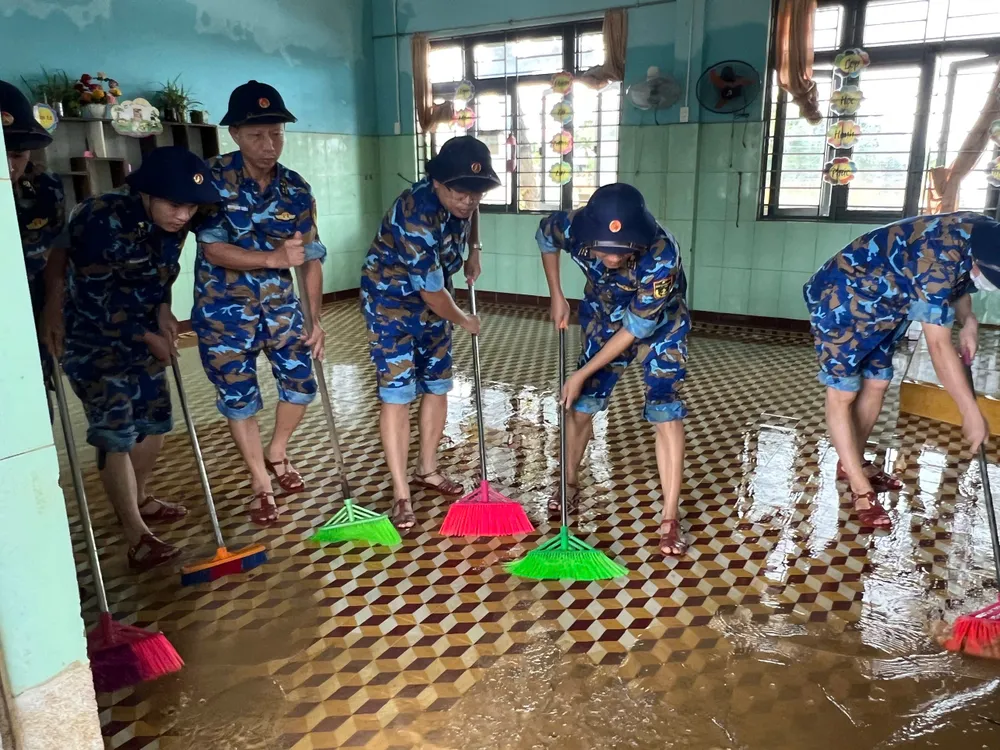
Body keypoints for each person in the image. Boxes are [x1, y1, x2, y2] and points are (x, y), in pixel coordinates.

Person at [58, 146, 219, 571]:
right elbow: (90, 301)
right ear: (146, 193)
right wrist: (147, 335)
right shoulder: (99, 219)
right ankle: (135, 534)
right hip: (93, 340)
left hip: (143, 333)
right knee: (117, 432)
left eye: (191, 207)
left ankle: (140, 497)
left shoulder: (174, 221)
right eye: (175, 205)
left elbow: (162, 274)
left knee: (154, 423)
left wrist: (164, 309)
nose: (184, 216)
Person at [804, 212, 1000, 530]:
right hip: (843, 295)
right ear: (979, 261)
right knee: (843, 391)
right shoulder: (939, 254)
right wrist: (969, 411)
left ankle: (850, 461)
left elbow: (961, 284)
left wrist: (970, 322)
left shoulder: (983, 231)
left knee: (878, 382)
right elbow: (937, 345)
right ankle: (859, 486)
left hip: (889, 304)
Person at [194, 80, 326, 527]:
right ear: (234, 133)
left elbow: (310, 257)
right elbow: (213, 248)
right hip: (222, 311)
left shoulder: (296, 188)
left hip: (281, 308)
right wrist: (272, 258)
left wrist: (316, 319)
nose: (269, 145)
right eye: (257, 135)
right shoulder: (211, 179)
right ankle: (260, 482)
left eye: (276, 133)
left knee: (302, 383)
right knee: (240, 397)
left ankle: (278, 450)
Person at [537, 183, 691, 556]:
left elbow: (636, 329)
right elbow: (544, 235)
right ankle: (569, 485)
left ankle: (670, 517)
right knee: (581, 406)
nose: (611, 256)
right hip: (603, 313)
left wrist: (580, 372)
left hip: (661, 323)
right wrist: (556, 292)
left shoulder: (661, 255)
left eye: (622, 250)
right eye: (603, 248)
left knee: (663, 409)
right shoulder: (574, 227)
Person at [360, 135, 500, 530]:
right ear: (437, 181)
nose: (468, 200)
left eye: (477, 192)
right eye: (460, 191)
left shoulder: (465, 199)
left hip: (436, 297)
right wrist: (464, 320)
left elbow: (472, 212)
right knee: (399, 392)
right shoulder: (415, 213)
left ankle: (427, 469)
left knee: (438, 385)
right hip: (391, 304)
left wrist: (475, 249)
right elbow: (431, 291)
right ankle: (401, 493)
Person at [3, 79, 67, 414]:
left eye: (18, 155)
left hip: (32, 316)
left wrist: (53, 308)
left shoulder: (44, 190)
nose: (11, 165)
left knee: (36, 410)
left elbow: (57, 252)